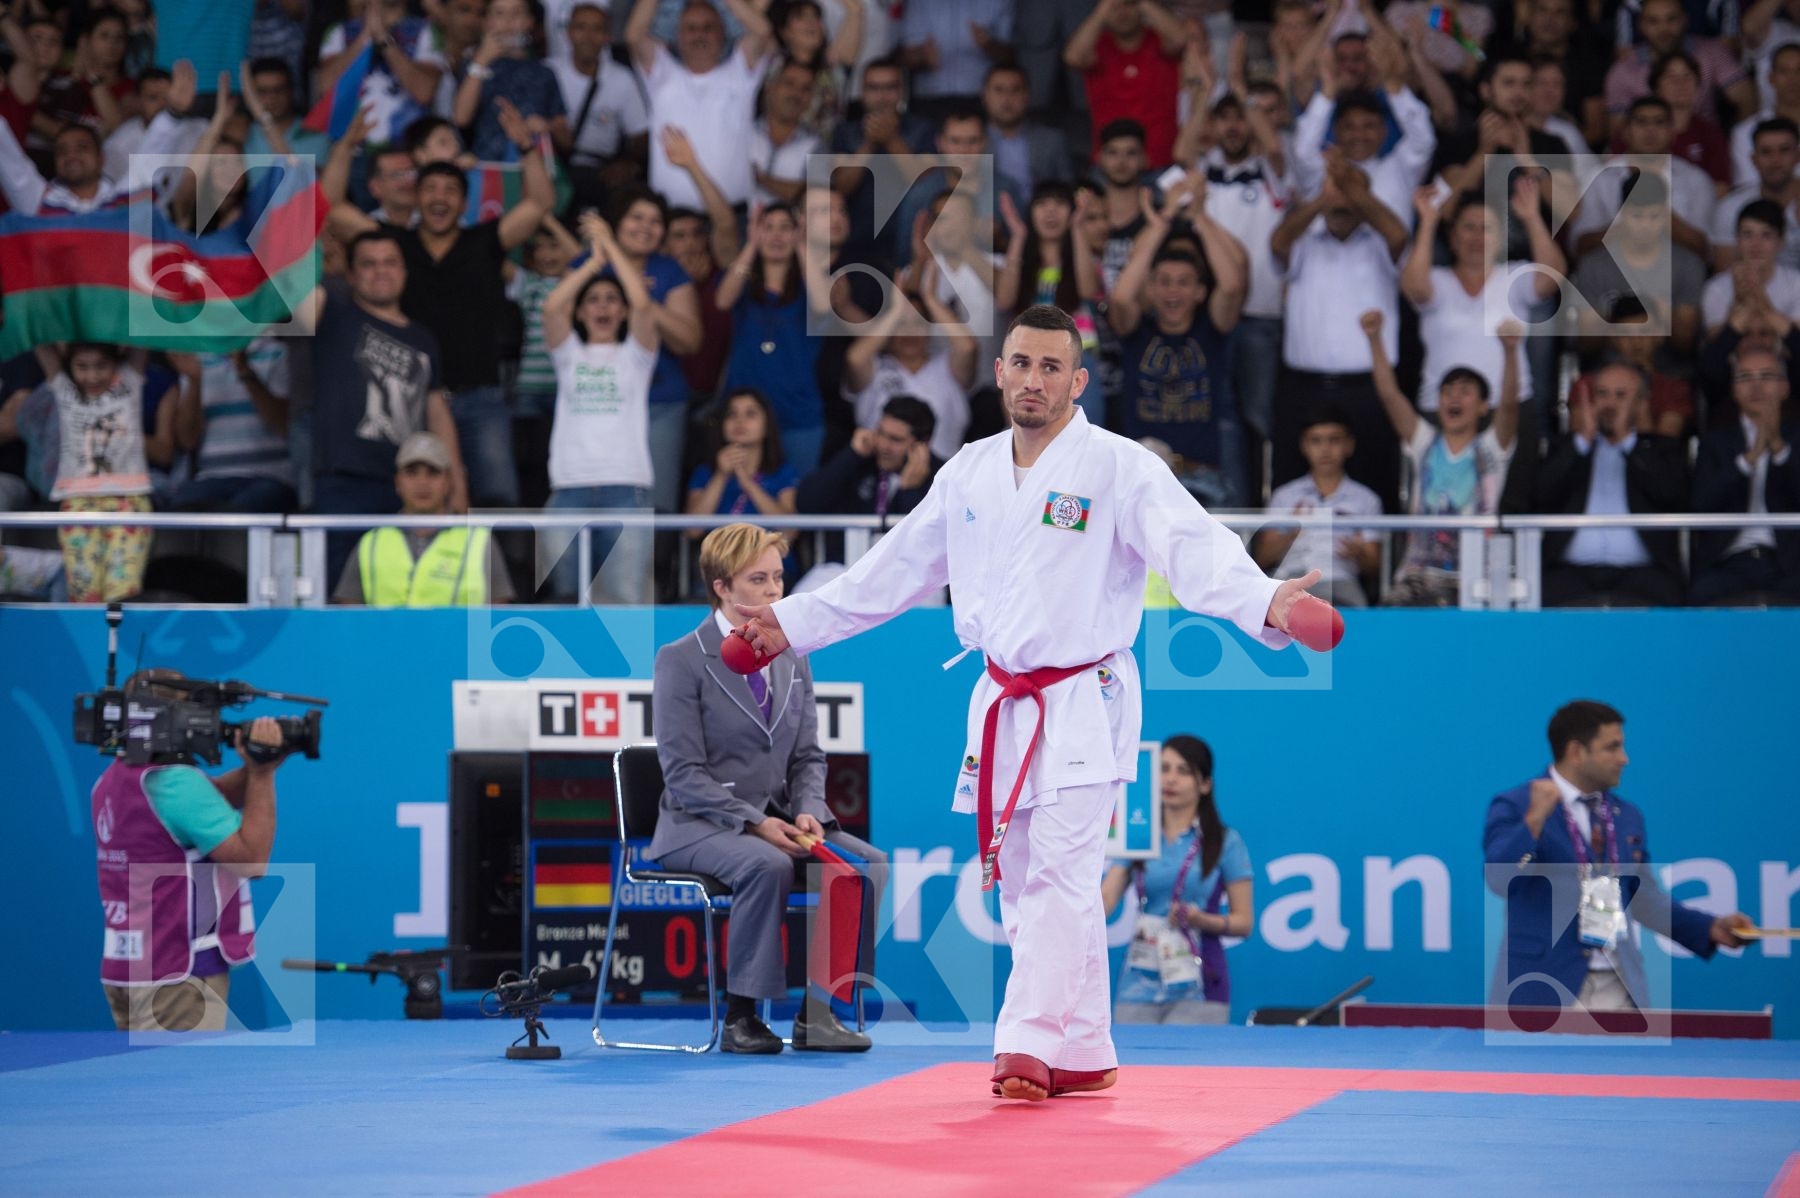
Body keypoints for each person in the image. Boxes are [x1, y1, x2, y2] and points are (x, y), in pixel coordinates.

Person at [733, 304, 1326, 1100]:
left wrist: (1266, 602)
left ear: (1078, 381)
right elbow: (891, 572)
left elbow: (1192, 547)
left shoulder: (1118, 466)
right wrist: (791, 622)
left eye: (1053, 368)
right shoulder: (969, 469)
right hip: (1002, 702)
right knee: (1023, 881)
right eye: (1021, 363)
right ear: (1000, 371)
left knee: (1060, 873)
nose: (1034, 380)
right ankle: (1084, 1046)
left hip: (1085, 697)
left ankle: (1024, 1045)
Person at [650, 523, 886, 1053]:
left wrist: (808, 810)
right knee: (767, 863)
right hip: (696, 825)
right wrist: (755, 822)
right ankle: (742, 1017)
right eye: (758, 579)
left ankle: (820, 1014)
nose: (775, 591)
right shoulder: (681, 658)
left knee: (866, 865)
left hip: (778, 818)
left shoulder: (792, 653)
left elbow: (808, 756)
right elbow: (683, 774)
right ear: (722, 587)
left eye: (779, 578)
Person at [1482, 700, 1754, 1012]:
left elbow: (1643, 897)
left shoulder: (1626, 816)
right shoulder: (1518, 804)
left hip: (1621, 988)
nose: (1624, 759)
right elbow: (1498, 880)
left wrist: (1709, 927)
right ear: (1576, 752)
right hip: (1545, 986)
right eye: (1612, 748)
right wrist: (1533, 823)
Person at [94, 669, 295, 1032]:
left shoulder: (115, 779)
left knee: (142, 1087)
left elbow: (206, 802)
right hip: (178, 976)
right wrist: (263, 775)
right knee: (174, 1089)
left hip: (128, 969)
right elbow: (252, 861)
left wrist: (256, 763)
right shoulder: (174, 783)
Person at [303, 230, 466, 590]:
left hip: (410, 484)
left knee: (406, 591)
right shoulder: (333, 312)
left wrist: (457, 484)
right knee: (336, 596)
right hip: (343, 480)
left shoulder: (424, 338)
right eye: (369, 264)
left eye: (390, 262)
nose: (381, 271)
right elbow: (295, 300)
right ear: (351, 274)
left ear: (405, 271)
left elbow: (437, 411)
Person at [540, 212, 660, 604]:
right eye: (593, 300)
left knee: (626, 599)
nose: (602, 307)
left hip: (626, 488)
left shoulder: (636, 356)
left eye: (611, 300)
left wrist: (610, 245)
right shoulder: (569, 353)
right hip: (568, 488)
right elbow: (551, 308)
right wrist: (591, 264)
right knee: (564, 597)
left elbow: (643, 305)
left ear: (621, 312)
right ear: (581, 312)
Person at [1365, 309, 1521, 606]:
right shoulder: (1424, 443)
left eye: (1465, 392)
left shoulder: (1492, 449)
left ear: (1484, 406)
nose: (1454, 398)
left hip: (1475, 579)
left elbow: (1511, 405)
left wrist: (1510, 351)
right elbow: (1389, 394)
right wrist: (1374, 339)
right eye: (1447, 392)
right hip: (1417, 576)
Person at [1101, 736, 1254, 1026]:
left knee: (1197, 1071)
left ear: (1205, 784)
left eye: (1183, 771)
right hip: (1138, 981)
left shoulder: (1225, 842)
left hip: (1199, 984)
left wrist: (1200, 920)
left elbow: (1244, 922)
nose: (1170, 779)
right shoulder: (1138, 835)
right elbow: (1106, 900)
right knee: (1133, 1069)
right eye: (1164, 768)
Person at [1532, 363, 1691, 607]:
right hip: (1569, 571)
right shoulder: (1567, 447)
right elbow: (1540, 495)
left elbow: (1672, 495)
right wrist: (1583, 441)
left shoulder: (1661, 449)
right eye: (1602, 394)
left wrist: (1628, 443)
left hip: (1642, 572)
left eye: (1620, 395)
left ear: (1641, 403)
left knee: (1667, 598)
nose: (1609, 404)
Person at [332, 432, 515, 606]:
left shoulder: (480, 540)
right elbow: (346, 621)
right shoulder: (370, 543)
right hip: (385, 640)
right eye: (412, 472)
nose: (422, 483)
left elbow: (499, 617)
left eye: (433, 472)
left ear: (448, 482)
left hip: (457, 640)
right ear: (398, 482)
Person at [1688, 345, 1800, 604]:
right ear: (1734, 390)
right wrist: (1748, 460)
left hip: (1790, 562)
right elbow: (1700, 503)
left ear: (1785, 387)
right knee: (1701, 596)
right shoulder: (1714, 443)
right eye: (1745, 377)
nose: (1756, 386)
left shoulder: (1796, 437)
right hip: (1729, 561)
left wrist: (1779, 449)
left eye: (1766, 376)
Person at [1254, 406, 1383, 607]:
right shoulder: (1284, 496)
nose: (1325, 449)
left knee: (1359, 622)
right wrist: (1291, 531)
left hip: (1340, 580)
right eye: (1316, 440)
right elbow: (1261, 559)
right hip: (1290, 580)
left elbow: (1376, 569)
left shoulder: (1366, 499)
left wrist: (1358, 553)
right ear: (1304, 446)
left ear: (1349, 445)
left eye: (1334, 440)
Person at [685, 387, 800, 526]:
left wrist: (747, 482)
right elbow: (692, 530)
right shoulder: (705, 472)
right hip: (719, 548)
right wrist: (720, 476)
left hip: (768, 547)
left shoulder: (784, 472)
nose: (740, 421)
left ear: (767, 426)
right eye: (731, 414)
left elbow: (789, 532)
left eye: (750, 414)